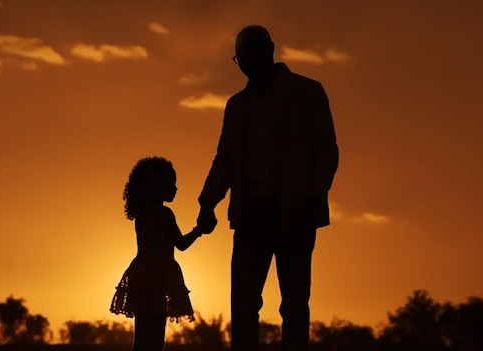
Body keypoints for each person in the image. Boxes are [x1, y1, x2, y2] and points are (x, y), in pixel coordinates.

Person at [195, 25, 339, 351]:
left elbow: (327, 150)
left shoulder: (306, 93)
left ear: (270, 50)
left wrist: (313, 196)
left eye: (251, 56)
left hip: (295, 213)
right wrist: (208, 203)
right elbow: (225, 160)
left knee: (294, 303)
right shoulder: (237, 106)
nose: (246, 65)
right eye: (241, 59)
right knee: (244, 304)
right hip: (251, 216)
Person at [110, 156, 204, 351]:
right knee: (154, 339)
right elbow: (181, 244)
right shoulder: (163, 213)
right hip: (157, 278)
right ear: (159, 185)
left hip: (141, 274)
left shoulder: (142, 215)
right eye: (172, 183)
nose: (176, 188)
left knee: (143, 338)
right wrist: (199, 230)